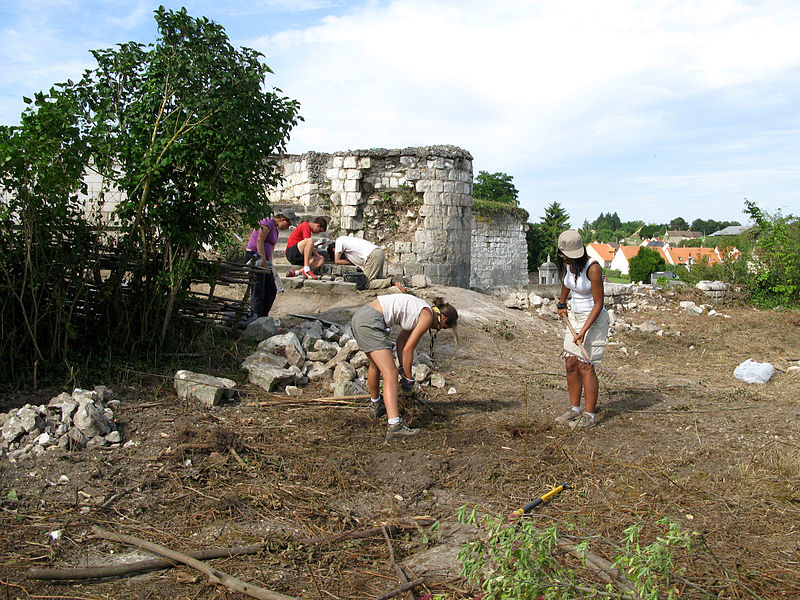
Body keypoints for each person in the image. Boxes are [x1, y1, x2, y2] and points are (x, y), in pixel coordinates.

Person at [351, 294, 458, 440]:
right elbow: (409, 349)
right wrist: (408, 378)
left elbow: (401, 341)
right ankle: (395, 426)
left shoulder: (421, 310)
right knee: (391, 373)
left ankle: (377, 405)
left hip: (361, 316)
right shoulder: (426, 317)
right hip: (371, 322)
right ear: (443, 318)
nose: (439, 330)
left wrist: (403, 367)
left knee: (375, 366)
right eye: (444, 327)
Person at [554, 230, 609, 429]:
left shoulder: (592, 268)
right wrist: (562, 303)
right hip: (574, 318)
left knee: (586, 365)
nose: (569, 260)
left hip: (593, 319)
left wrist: (584, 330)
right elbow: (567, 283)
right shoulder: (567, 264)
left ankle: (589, 415)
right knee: (570, 363)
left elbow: (598, 303)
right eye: (567, 257)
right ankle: (574, 409)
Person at [244, 210, 296, 318]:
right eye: (288, 224)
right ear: (282, 219)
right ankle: (255, 317)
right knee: (258, 289)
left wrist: (270, 265)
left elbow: (271, 249)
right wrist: (262, 257)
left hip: (265, 259)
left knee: (271, 289)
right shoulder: (267, 223)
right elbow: (259, 240)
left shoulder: (275, 230)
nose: (288, 227)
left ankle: (263, 316)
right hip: (255, 257)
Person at [328, 236, 393, 289]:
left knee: (367, 284)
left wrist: (348, 262)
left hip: (373, 255)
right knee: (378, 279)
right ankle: (395, 281)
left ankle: (392, 281)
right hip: (378, 252)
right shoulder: (349, 242)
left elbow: (337, 261)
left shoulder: (339, 241)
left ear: (334, 249)